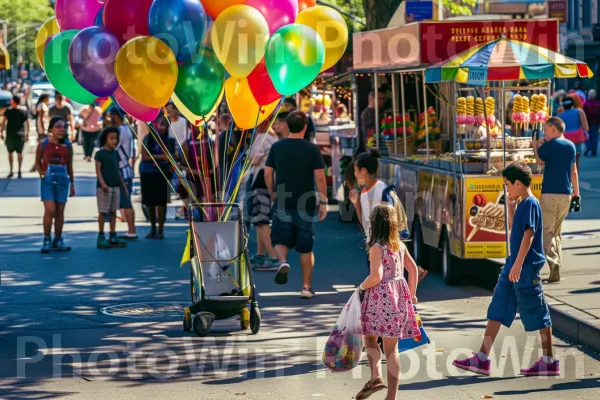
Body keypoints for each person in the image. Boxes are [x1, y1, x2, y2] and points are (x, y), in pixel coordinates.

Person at [452, 162, 557, 377]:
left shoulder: (530, 204)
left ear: (518, 183)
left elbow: (528, 236)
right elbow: (515, 230)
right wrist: (510, 207)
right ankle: (482, 358)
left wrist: (518, 264)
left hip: (525, 267)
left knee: (538, 311)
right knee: (498, 305)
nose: (506, 189)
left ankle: (549, 360)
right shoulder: (522, 203)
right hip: (514, 265)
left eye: (508, 185)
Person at [355, 203, 419, 400]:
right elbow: (414, 269)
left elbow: (376, 277)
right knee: (392, 350)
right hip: (399, 299)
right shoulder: (400, 246)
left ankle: (376, 377)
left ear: (374, 225)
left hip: (379, 299)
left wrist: (360, 288)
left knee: (370, 338)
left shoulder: (377, 248)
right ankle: (391, 397)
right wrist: (413, 295)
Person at [264, 111, 328, 298]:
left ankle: (282, 261)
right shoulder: (312, 149)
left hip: (283, 198)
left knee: (279, 238)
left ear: (286, 125)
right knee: (306, 247)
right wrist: (323, 201)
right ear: (305, 127)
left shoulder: (277, 147)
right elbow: (320, 177)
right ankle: (306, 288)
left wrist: (272, 193)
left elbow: (268, 174)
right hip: (306, 202)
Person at [346, 148, 428, 284]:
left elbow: (390, 220)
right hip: (372, 244)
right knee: (383, 284)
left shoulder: (382, 190)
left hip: (384, 246)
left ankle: (409, 290)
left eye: (355, 170)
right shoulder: (364, 193)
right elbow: (364, 223)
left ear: (363, 170)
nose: (354, 175)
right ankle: (411, 281)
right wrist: (356, 205)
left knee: (383, 283)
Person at [533, 117, 579, 283]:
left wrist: (534, 146)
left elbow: (539, 160)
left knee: (547, 231)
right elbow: (574, 171)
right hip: (566, 194)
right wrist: (576, 192)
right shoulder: (571, 146)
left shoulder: (549, 146)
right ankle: (557, 263)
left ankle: (553, 262)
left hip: (549, 193)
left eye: (546, 130)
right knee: (557, 232)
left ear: (554, 129)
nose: (544, 133)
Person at [35, 117, 75, 253]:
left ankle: (58, 240)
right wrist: (42, 174)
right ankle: (46, 239)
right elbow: (37, 162)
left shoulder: (68, 146)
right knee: (50, 210)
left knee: (59, 212)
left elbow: (70, 166)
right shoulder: (44, 144)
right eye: (58, 126)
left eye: (64, 126)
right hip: (48, 181)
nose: (61, 129)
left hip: (63, 181)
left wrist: (73, 183)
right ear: (51, 128)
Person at [139, 115, 177, 238]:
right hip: (148, 172)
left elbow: (173, 156)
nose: (163, 127)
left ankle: (160, 230)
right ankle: (152, 229)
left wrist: (172, 161)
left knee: (162, 202)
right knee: (150, 202)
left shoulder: (169, 140)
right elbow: (145, 156)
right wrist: (163, 157)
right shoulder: (148, 138)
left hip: (163, 173)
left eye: (166, 125)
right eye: (161, 124)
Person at [248, 126, 279, 271]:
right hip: (269, 178)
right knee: (261, 219)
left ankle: (273, 257)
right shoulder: (273, 137)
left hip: (261, 179)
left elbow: (253, 159)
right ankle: (261, 254)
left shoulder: (263, 137)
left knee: (261, 220)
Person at [95, 127, 128, 249]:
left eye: (116, 138)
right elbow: (98, 170)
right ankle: (101, 235)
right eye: (111, 138)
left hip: (115, 186)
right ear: (105, 139)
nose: (114, 141)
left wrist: (123, 186)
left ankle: (113, 235)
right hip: (104, 188)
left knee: (113, 211)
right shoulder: (100, 154)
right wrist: (102, 183)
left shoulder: (115, 153)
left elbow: (117, 170)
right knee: (103, 212)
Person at [109, 107, 138, 240]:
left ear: (116, 116)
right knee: (124, 201)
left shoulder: (120, 131)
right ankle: (130, 229)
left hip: (122, 170)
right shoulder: (128, 129)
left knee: (126, 201)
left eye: (112, 116)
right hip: (126, 168)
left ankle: (132, 230)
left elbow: (112, 146)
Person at [1, 96, 29, 178]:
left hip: (11, 135)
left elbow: (3, 122)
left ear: (13, 101)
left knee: (10, 153)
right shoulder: (23, 111)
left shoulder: (8, 111)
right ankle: (19, 171)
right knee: (19, 153)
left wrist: (1, 132)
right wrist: (27, 133)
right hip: (20, 135)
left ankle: (11, 170)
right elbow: (28, 122)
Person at [557, 96, 588, 171]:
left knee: (566, 161)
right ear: (573, 104)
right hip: (578, 139)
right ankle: (575, 179)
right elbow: (586, 127)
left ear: (563, 105)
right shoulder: (579, 111)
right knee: (576, 160)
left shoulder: (559, 116)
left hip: (565, 140)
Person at [358, 91, 386, 156]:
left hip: (379, 146)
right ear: (371, 99)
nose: (382, 101)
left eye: (383, 99)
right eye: (380, 98)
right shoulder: (366, 113)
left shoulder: (378, 112)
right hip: (371, 147)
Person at [583, 89, 600, 157]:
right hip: (596, 122)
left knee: (586, 136)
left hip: (587, 122)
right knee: (595, 137)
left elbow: (584, 113)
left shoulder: (586, 104)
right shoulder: (598, 103)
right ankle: (594, 151)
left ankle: (589, 147)